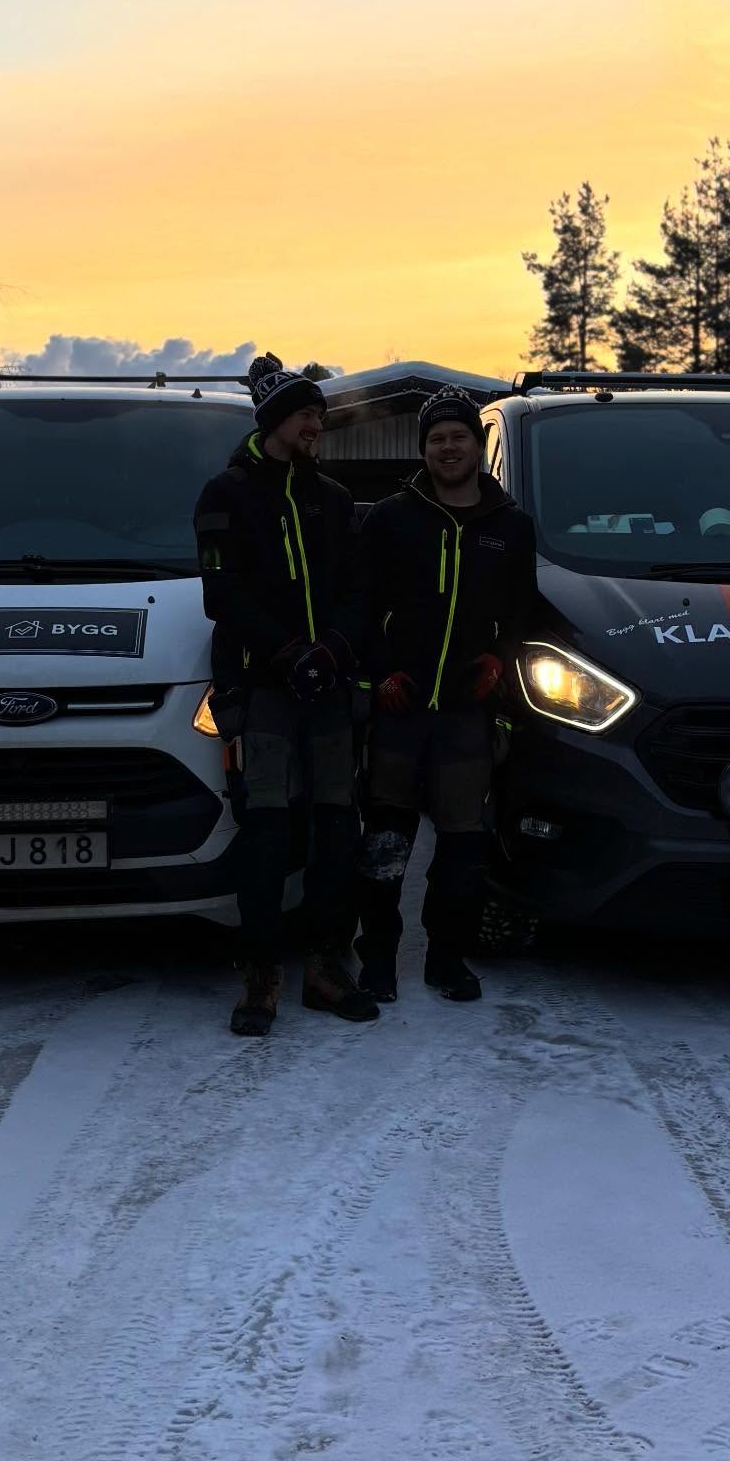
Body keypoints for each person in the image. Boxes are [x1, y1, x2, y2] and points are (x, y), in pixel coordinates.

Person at [195, 354, 379, 1036]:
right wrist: (285, 652)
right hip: (266, 691)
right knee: (266, 833)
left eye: (321, 417)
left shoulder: (332, 499)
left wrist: (330, 650)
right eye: (309, 415)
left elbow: (361, 589)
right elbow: (224, 594)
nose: (318, 427)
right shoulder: (226, 495)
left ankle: (329, 969)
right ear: (276, 420)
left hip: (327, 689)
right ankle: (261, 976)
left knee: (337, 830)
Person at [354, 388, 538, 1004]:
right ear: (423, 449)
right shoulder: (389, 518)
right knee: (385, 847)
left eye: (458, 435)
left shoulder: (510, 526)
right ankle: (377, 957)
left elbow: (520, 616)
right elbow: (359, 608)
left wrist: (499, 660)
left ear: (476, 444)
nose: (448, 447)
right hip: (399, 713)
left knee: (462, 847)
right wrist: (379, 674)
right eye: (436, 438)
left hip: (466, 715)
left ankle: (446, 958)